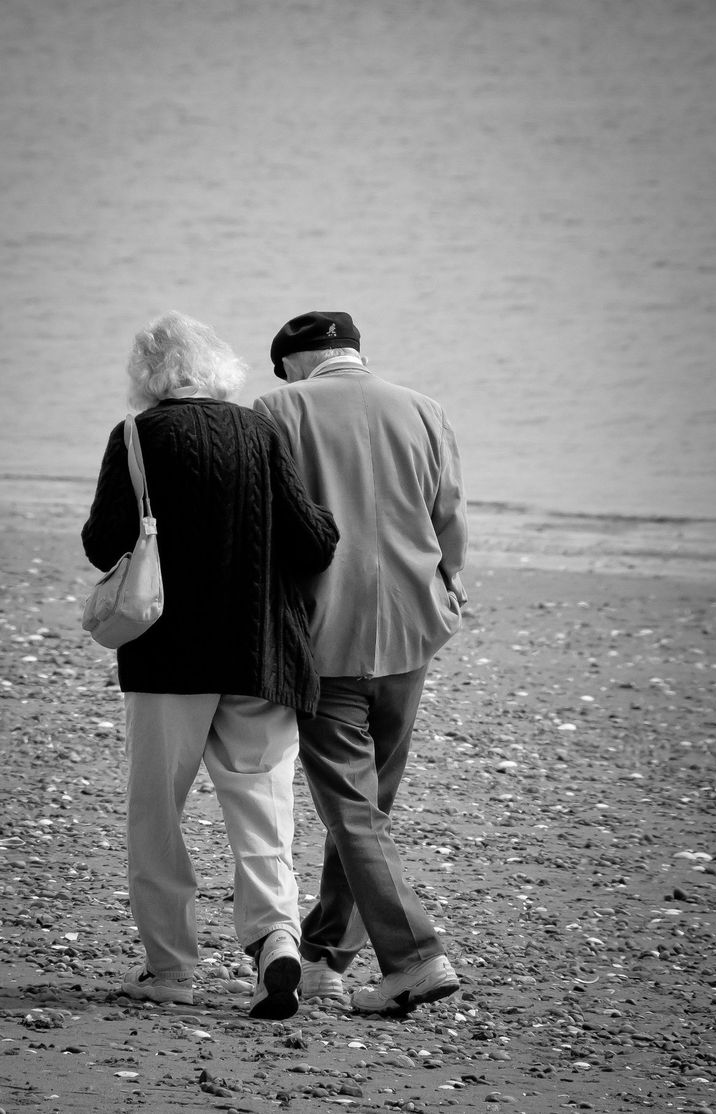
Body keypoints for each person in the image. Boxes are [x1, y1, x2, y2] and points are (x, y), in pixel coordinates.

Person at [82, 311, 339, 1020]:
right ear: (218, 366)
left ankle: (171, 968)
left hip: (169, 658)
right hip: (262, 656)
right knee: (263, 811)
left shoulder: (138, 436)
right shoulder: (260, 430)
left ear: (147, 374)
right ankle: (276, 946)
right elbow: (314, 540)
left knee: (156, 813)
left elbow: (105, 543)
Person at [253, 310, 467, 1015]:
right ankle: (325, 957)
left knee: (353, 811)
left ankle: (413, 958)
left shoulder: (277, 409)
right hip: (411, 631)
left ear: (296, 362)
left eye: (280, 365)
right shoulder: (426, 409)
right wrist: (448, 591)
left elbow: (271, 523)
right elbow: (448, 515)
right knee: (367, 810)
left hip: (327, 635)